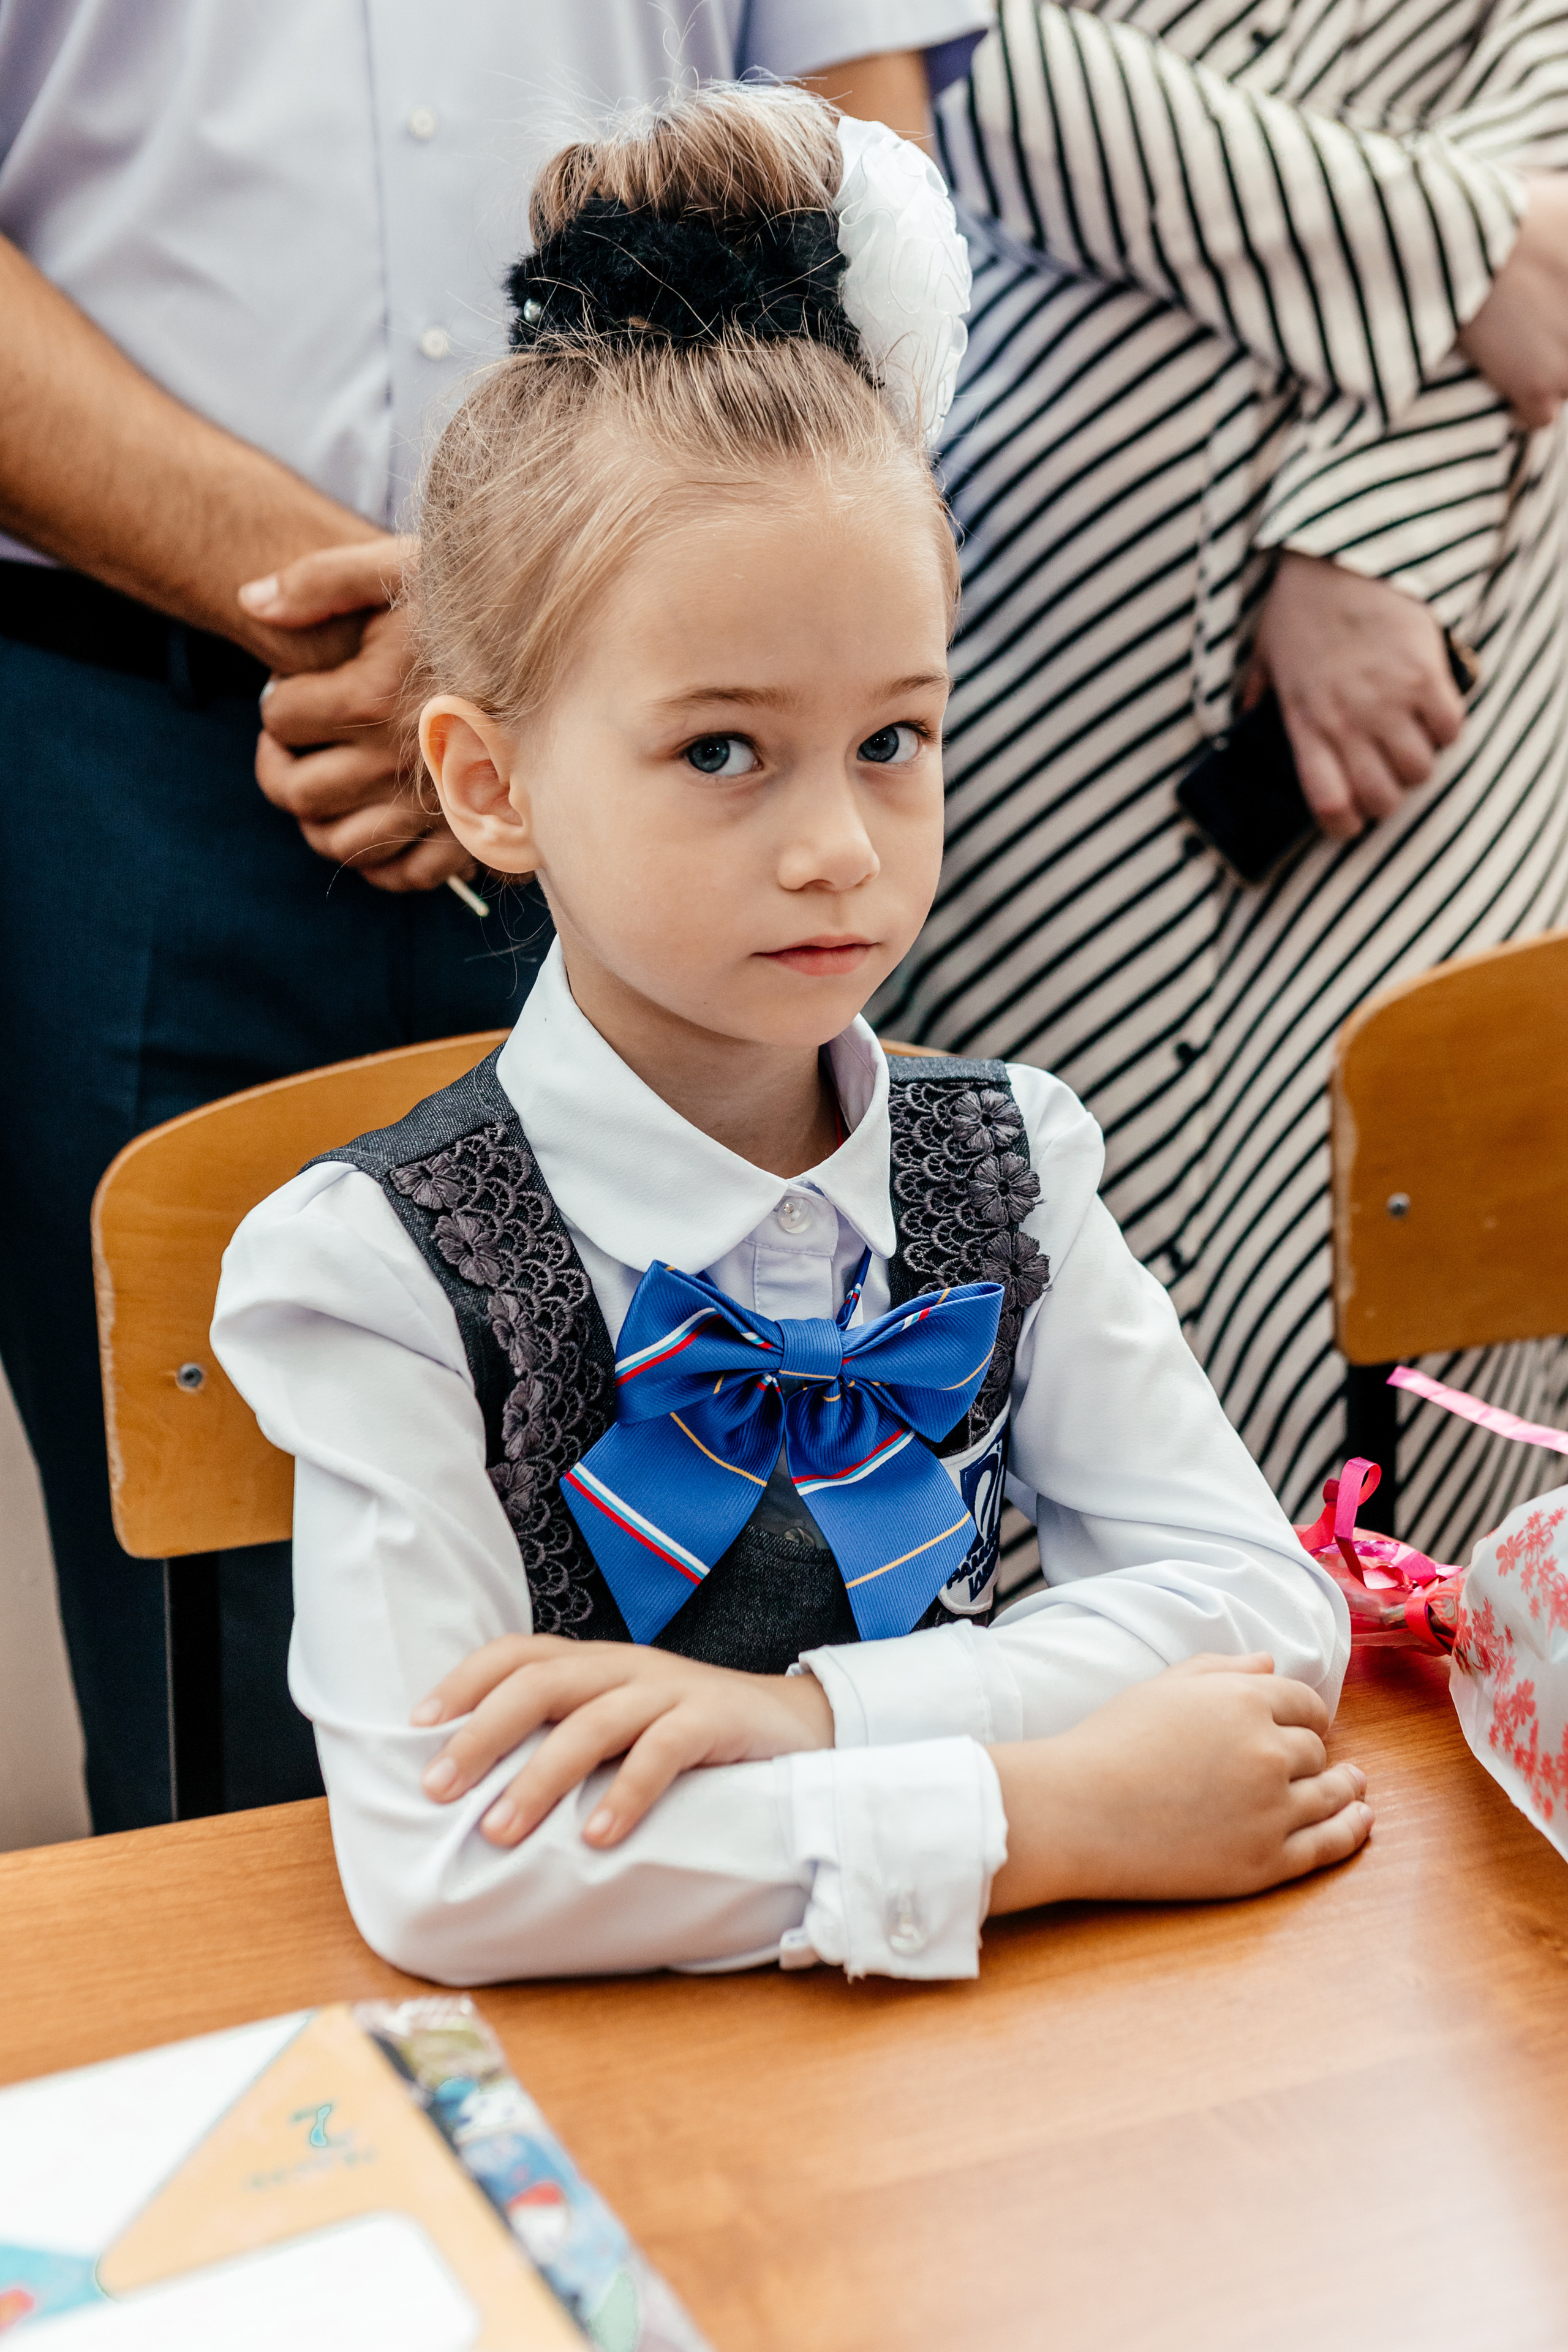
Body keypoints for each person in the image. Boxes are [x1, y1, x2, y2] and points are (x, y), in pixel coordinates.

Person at [212, 84, 1368, 1985]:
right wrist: (1043, 1818)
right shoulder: (369, 1273)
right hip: (624, 2145)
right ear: (489, 784)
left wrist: (820, 1723)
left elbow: (1259, 1609)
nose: (839, 846)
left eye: (893, 740)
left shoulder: (1016, 1160)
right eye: (723, 751)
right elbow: (451, 1861)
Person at [0, 2, 989, 1833]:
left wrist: (595, 642)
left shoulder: (1019, 1168)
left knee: (767, 1582)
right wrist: (471, 618)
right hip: (129, 745)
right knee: (224, 1685)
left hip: (719, 722)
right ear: (482, 770)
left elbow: (863, 153)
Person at [874, 0, 1568, 1565]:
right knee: (992, 1255)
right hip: (1035, 640)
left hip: (1442, 648)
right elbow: (930, 60)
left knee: (1387, 1299)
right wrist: (1463, 246)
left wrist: (1373, 535)